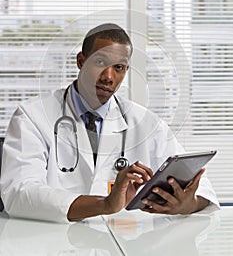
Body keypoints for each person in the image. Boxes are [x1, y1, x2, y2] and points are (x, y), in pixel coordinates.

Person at [0, 23, 219, 223]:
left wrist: (187, 204)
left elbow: (203, 191)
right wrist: (104, 204)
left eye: (119, 67)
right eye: (100, 62)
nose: (108, 76)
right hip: (55, 242)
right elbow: (18, 192)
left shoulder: (146, 123)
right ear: (81, 61)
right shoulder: (32, 117)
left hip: (124, 243)